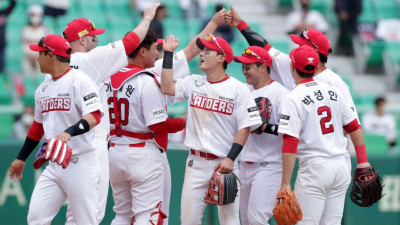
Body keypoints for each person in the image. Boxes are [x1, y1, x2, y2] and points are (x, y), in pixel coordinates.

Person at [62, 3, 160, 224]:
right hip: (91, 142)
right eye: (93, 37)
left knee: (75, 212)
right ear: (82, 40)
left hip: (69, 142)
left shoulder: (60, 65)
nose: (96, 41)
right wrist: (147, 17)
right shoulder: (88, 60)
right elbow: (131, 43)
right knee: (91, 211)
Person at [161, 34, 262, 224]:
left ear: (221, 57)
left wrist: (231, 158)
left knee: (229, 221)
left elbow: (245, 127)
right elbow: (167, 88)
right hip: (195, 162)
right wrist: (168, 54)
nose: (201, 54)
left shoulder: (238, 89)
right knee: (188, 221)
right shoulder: (194, 82)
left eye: (208, 51)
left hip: (224, 164)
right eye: (202, 51)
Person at [8, 34, 103, 224]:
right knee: (36, 217)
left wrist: (70, 131)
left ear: (51, 56)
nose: (37, 58)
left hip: (81, 162)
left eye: (40, 54)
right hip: (54, 164)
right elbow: (37, 125)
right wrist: (21, 157)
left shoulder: (80, 80)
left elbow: (94, 116)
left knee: (85, 221)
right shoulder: (42, 88)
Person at [276, 45, 372, 224]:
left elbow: (290, 142)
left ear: (292, 67)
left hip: (315, 168)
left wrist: (285, 184)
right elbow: (354, 126)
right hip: (341, 166)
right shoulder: (333, 90)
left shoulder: (293, 97)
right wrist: (363, 161)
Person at [106, 29, 187, 225]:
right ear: (142, 51)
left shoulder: (107, 77)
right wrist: (184, 121)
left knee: (122, 216)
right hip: (141, 152)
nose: (157, 53)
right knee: (147, 215)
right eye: (154, 49)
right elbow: (157, 123)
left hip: (114, 151)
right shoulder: (146, 80)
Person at [233, 46, 289, 225]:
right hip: (245, 163)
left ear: (263, 67)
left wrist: (264, 126)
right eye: (243, 66)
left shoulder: (281, 93)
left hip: (269, 164)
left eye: (248, 67)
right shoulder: (242, 90)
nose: (244, 71)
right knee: (247, 221)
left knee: (257, 219)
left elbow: (291, 130)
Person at [22, 5, 49, 76]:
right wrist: (30, 57)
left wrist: (38, 57)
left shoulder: (45, 29)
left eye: (37, 15)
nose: (35, 17)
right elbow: (23, 45)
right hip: (27, 59)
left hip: (41, 59)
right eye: (33, 15)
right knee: (27, 76)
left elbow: (47, 46)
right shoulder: (25, 29)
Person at [0, 0, 16, 73]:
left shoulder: (3, 12)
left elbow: (13, 4)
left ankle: (2, 69)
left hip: (2, 40)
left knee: (2, 59)